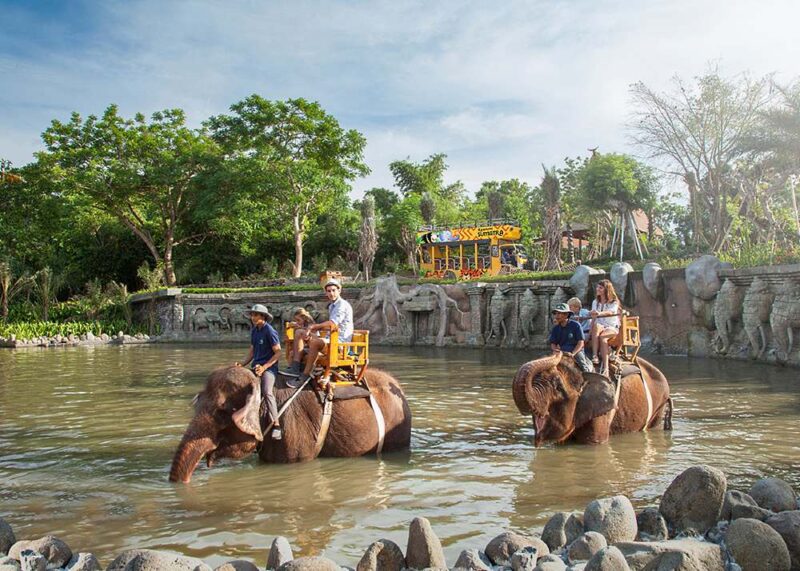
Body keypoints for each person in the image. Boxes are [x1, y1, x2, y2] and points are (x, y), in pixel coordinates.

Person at [284, 278, 353, 384]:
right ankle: (295, 367)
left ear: (339, 290)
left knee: (315, 342)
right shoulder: (332, 306)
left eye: (334, 290)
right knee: (299, 333)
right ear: (326, 292)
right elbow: (329, 326)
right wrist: (308, 330)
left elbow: (333, 324)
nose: (331, 293)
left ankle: (305, 375)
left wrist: (313, 327)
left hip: (339, 343)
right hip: (329, 339)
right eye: (329, 291)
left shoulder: (342, 305)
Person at [234, 304, 283, 440]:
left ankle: (277, 425)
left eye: (255, 315)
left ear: (263, 317)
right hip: (255, 366)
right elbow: (252, 351)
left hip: (269, 368)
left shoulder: (270, 331)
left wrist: (265, 367)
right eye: (252, 315)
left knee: (267, 392)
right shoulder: (255, 330)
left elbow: (278, 353)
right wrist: (242, 364)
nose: (252, 317)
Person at [548, 303, 593, 372]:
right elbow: (553, 343)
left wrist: (573, 353)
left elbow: (581, 343)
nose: (557, 316)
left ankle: (588, 374)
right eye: (556, 313)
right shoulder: (555, 328)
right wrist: (555, 350)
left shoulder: (576, 325)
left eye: (559, 313)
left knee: (582, 364)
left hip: (576, 351)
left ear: (566, 315)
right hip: (562, 351)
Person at [590, 279, 621, 376]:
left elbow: (611, 312)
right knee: (596, 326)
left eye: (600, 287)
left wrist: (599, 313)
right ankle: (595, 356)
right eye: (597, 287)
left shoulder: (613, 302)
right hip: (600, 326)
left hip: (611, 327)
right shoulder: (595, 302)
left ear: (606, 289)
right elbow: (593, 315)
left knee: (603, 337)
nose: (597, 289)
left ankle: (606, 368)